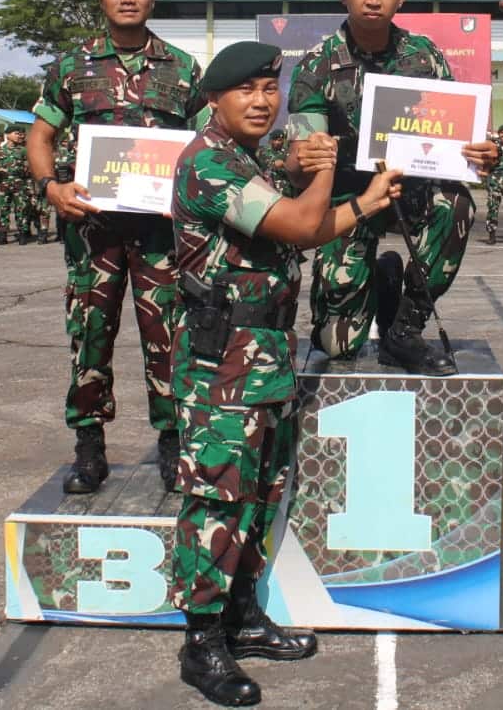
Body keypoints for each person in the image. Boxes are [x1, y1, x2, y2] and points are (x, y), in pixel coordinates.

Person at [169, 40, 403, 707]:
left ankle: (241, 617)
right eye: (246, 90)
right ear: (214, 98)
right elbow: (301, 225)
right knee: (216, 499)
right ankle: (202, 642)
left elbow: (305, 225)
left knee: (260, 494)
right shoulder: (209, 163)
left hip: (263, 354)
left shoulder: (246, 159)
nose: (262, 100)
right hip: (221, 364)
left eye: (271, 89)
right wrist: (323, 167)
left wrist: (365, 203)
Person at [28, 0, 206, 495]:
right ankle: (89, 449)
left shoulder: (182, 67)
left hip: (160, 235)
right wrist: (51, 187)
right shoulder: (72, 66)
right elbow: (41, 136)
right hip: (93, 231)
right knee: (90, 337)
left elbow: (205, 141)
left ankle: (174, 446)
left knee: (170, 339)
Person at [284, 0, 499, 375]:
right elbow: (300, 158)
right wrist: (304, 155)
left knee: (454, 204)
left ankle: (405, 327)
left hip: (411, 192)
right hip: (348, 201)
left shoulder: (424, 56)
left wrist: (480, 153)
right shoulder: (317, 66)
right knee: (337, 346)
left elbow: (454, 131)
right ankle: (381, 280)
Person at [0, 124, 31, 245]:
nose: (18, 136)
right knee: (3, 209)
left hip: (19, 182)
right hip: (3, 183)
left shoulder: (23, 150)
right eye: (16, 133)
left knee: (21, 209)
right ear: (8, 135)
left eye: (19, 134)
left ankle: (23, 234)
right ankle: (2, 235)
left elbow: (27, 167)